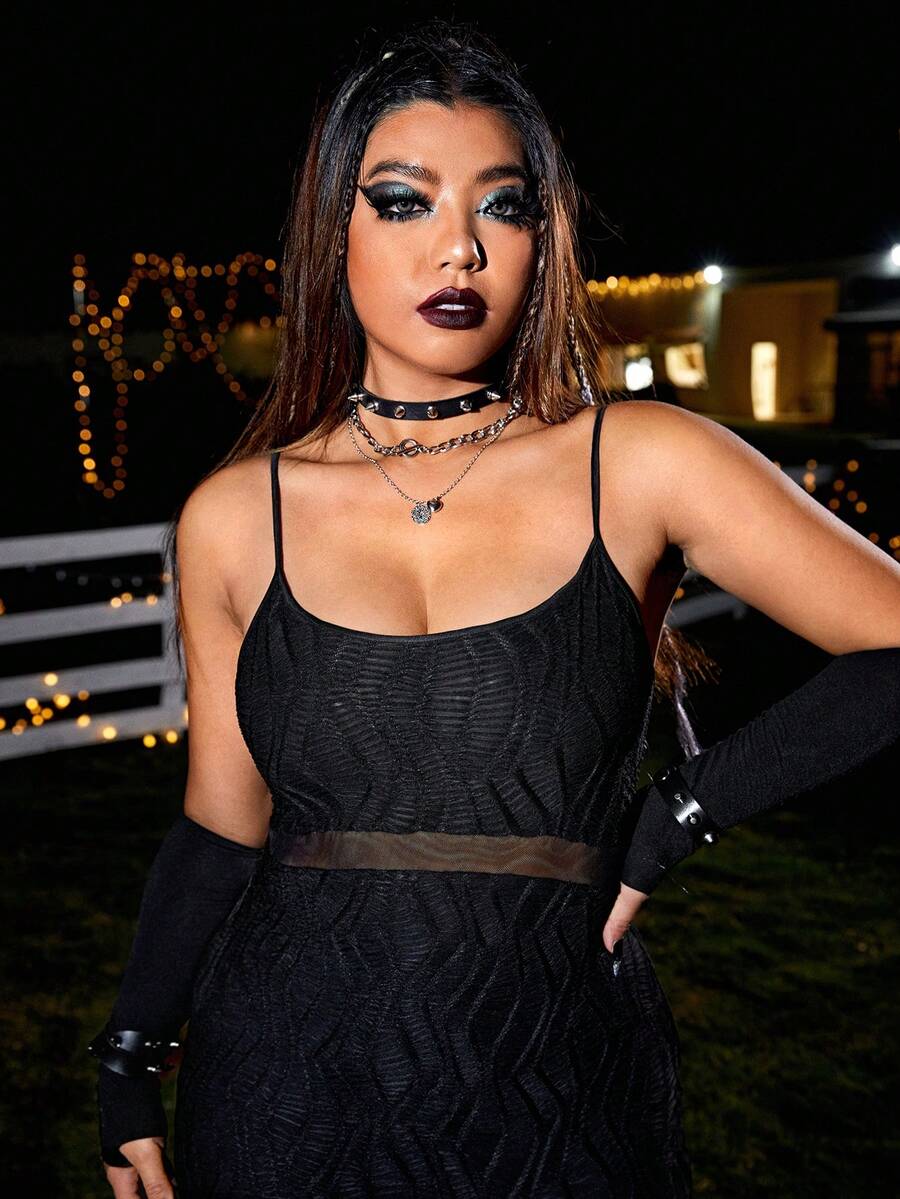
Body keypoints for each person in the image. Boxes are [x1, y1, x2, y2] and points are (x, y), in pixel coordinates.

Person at [89, 21, 900, 1199]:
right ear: (333, 229)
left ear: (542, 238)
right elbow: (222, 824)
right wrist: (129, 1052)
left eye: (502, 206)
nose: (459, 246)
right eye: (404, 200)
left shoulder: (637, 461)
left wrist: (684, 807)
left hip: (558, 1081)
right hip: (283, 1085)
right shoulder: (234, 514)